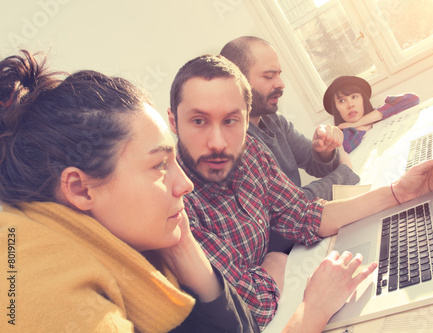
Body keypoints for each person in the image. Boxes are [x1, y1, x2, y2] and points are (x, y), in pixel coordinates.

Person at [167, 54, 433, 330]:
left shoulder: (250, 151)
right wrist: (276, 262)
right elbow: (251, 307)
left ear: (246, 118)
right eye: (199, 121)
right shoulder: (174, 204)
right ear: (173, 122)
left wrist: (398, 192)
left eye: (230, 121)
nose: (217, 143)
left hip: (285, 296)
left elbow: (304, 215)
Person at [0, 50, 259, 333]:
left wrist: (187, 251)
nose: (186, 184)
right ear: (80, 188)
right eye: (160, 164)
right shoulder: (51, 299)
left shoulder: (133, 242)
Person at [221, 36, 360, 253]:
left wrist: (324, 150)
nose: (280, 84)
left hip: (307, 235)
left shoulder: (272, 119)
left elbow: (314, 162)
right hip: (286, 252)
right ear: (235, 81)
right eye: (269, 76)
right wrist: (344, 172)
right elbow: (291, 210)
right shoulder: (235, 145)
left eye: (279, 74)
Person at [323, 75, 420, 153]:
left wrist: (357, 123)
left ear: (363, 99)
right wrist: (356, 128)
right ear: (336, 108)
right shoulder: (340, 137)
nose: (350, 105)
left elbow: (413, 99)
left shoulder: (381, 113)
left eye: (354, 97)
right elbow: (343, 150)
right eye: (342, 101)